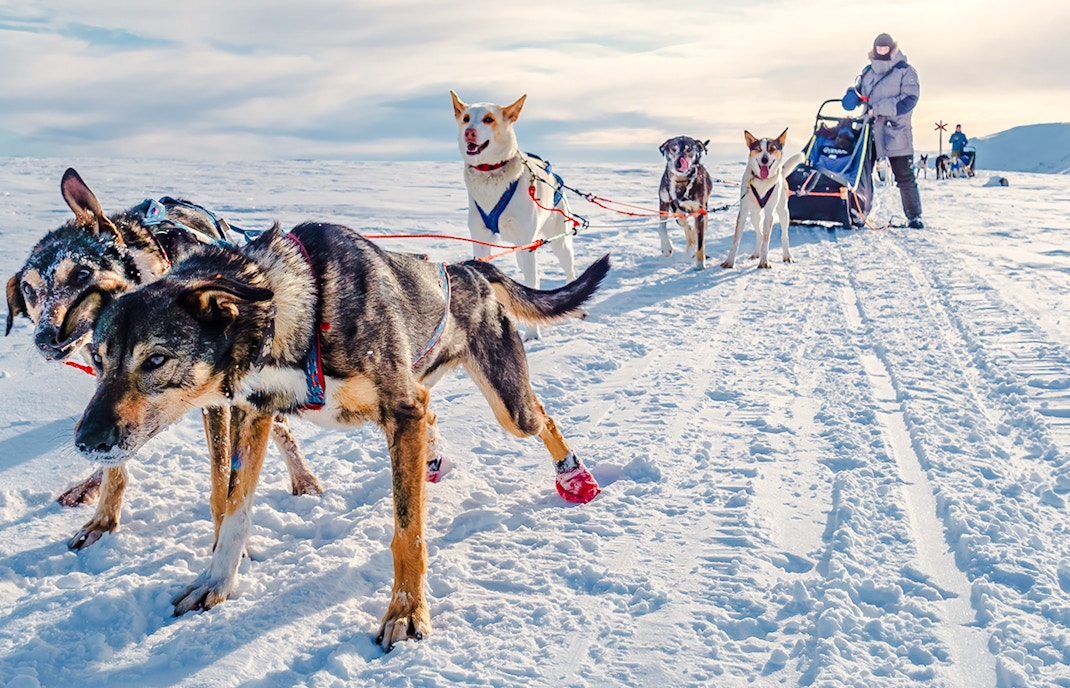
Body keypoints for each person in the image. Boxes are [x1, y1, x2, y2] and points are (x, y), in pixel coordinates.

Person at [841, 33, 924, 228]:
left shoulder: (906, 71)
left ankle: (914, 215)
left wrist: (878, 108)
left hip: (895, 131)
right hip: (869, 130)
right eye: (879, 48)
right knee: (862, 172)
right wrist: (851, 95)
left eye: (885, 48)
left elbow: (909, 100)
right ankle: (859, 210)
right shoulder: (868, 71)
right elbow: (860, 92)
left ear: (892, 48)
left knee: (904, 175)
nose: (882, 51)